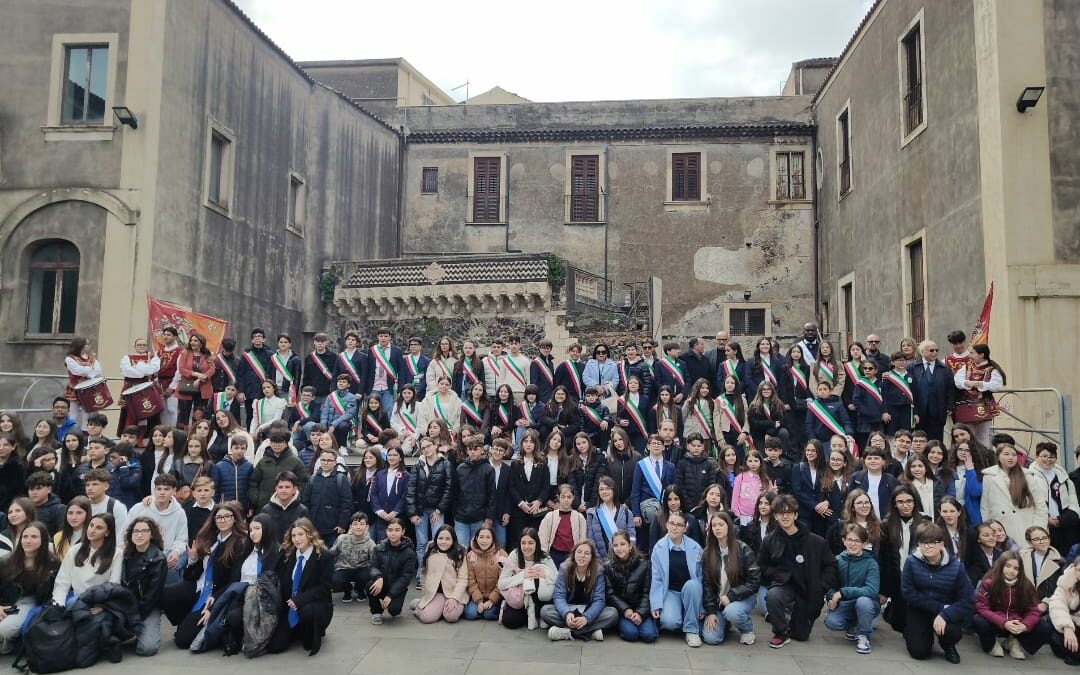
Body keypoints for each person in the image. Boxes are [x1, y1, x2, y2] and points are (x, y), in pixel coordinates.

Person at [163, 501, 248, 649]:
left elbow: (234, 581)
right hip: (199, 585)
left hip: (217, 593)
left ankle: (206, 624)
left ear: (234, 518)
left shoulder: (239, 543)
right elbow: (191, 575)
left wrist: (214, 602)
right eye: (219, 517)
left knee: (182, 641)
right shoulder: (210, 538)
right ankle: (185, 619)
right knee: (164, 594)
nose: (222, 520)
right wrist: (193, 560)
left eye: (227, 516)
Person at [757, 494, 836, 647]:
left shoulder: (816, 541)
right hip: (784, 585)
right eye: (781, 513)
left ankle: (794, 620)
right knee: (772, 596)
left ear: (796, 515)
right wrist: (778, 574)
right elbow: (762, 566)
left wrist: (821, 587)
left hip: (809, 589)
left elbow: (830, 566)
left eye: (789, 512)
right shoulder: (769, 540)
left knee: (800, 635)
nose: (785, 516)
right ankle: (781, 632)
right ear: (775, 516)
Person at [901, 522, 975, 663]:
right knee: (919, 652)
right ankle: (917, 634)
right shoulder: (911, 561)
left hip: (946, 611)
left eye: (932, 543)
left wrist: (945, 614)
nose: (927, 546)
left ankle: (948, 645)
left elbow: (968, 599)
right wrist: (938, 608)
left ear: (941, 544)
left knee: (952, 632)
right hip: (920, 609)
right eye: (923, 542)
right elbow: (908, 592)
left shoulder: (956, 566)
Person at [267, 518, 334, 656]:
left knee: (307, 616)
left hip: (314, 604)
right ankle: (295, 629)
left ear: (310, 534)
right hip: (289, 606)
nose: (297, 539)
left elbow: (325, 588)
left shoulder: (324, 556)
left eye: (301, 534)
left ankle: (312, 629)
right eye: (293, 535)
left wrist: (300, 600)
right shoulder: (286, 554)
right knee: (275, 646)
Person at [973, 550, 1050, 659]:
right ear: (1001, 566)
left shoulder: (1027, 585)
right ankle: (992, 644)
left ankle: (1014, 642)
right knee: (978, 620)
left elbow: (1033, 610)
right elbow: (982, 608)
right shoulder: (989, 583)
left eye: (1016, 568)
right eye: (1007, 566)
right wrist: (1003, 622)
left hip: (1017, 623)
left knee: (1045, 627)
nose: (1011, 571)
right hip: (996, 622)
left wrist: (1025, 625)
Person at [700, 512, 760, 646]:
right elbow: (707, 584)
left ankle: (747, 629)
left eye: (721, 524)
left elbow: (754, 581)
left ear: (729, 526)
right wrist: (711, 612)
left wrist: (732, 595)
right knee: (711, 639)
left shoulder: (743, 549)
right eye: (714, 525)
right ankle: (726, 623)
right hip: (719, 603)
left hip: (742, 598)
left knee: (732, 612)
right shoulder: (708, 553)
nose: (717, 528)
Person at [540, 539, 618, 641]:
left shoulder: (598, 571)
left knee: (612, 614)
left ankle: (567, 633)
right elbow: (559, 596)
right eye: (579, 552)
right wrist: (566, 613)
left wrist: (587, 618)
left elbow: (599, 600)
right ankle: (590, 633)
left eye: (587, 553)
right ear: (574, 554)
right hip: (569, 608)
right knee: (545, 611)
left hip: (588, 610)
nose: (582, 556)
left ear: (591, 557)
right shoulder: (565, 568)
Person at [0, 522, 59, 655]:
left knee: (5, 629)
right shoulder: (6, 561)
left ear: (43, 540)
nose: (28, 541)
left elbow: (54, 591)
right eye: (25, 536)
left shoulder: (52, 563)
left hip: (30, 602)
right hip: (6, 601)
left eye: (34, 537)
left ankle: (13, 640)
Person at [649, 510, 704, 646]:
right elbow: (656, 579)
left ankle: (691, 630)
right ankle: (686, 615)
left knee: (692, 584)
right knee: (669, 622)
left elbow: (701, 577)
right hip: (670, 591)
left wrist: (702, 606)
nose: (674, 527)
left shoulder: (696, 548)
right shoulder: (658, 548)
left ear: (685, 528)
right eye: (672, 523)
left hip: (691, 591)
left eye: (679, 525)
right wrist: (656, 604)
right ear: (667, 525)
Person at [823, 523, 880, 654]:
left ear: (864, 543)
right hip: (846, 603)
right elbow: (831, 585)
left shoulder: (871, 563)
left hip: (867, 603)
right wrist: (831, 597)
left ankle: (863, 635)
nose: (853, 544)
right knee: (832, 622)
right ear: (844, 541)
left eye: (857, 541)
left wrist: (842, 593)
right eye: (849, 540)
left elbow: (872, 590)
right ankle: (854, 626)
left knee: (863, 602)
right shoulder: (837, 560)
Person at [52, 512, 123, 606]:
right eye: (91, 525)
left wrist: (103, 606)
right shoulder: (75, 550)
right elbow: (62, 582)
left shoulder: (117, 553)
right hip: (77, 600)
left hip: (101, 602)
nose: (92, 530)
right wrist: (58, 605)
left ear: (107, 533)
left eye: (99, 528)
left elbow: (114, 585)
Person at [127, 474, 188, 583]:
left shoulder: (179, 513)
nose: (162, 492)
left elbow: (181, 539)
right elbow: (126, 532)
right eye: (159, 489)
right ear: (154, 490)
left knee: (173, 569)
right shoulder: (139, 508)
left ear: (174, 491)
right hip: (138, 554)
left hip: (166, 556)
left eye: (166, 489)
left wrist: (176, 551)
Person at [982, 443, 1048, 543]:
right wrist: (989, 530)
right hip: (1001, 528)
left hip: (1026, 526)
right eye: (1006, 454)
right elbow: (985, 506)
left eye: (1014, 455)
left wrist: (1038, 529)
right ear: (998, 456)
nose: (1010, 457)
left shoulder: (1027, 476)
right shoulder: (989, 476)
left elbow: (1040, 506)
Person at [121, 516, 167, 657]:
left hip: (148, 607)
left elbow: (152, 596)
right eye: (136, 531)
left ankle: (138, 631)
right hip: (126, 605)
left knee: (148, 648)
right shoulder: (125, 555)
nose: (139, 535)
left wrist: (135, 616)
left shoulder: (158, 558)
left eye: (144, 531)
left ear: (151, 534)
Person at [498, 527, 557, 630]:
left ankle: (537, 614)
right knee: (509, 621)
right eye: (523, 543)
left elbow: (558, 579)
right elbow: (501, 584)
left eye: (530, 543)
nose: (526, 547)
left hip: (540, 599)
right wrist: (522, 576)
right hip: (520, 598)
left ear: (536, 544)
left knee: (536, 579)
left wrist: (545, 574)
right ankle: (530, 615)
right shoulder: (514, 555)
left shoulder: (544, 557)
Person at [603, 529, 656, 642]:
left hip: (640, 607)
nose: (619, 548)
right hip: (622, 610)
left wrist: (640, 613)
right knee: (631, 634)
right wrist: (625, 609)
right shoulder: (608, 567)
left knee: (649, 635)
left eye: (622, 544)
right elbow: (610, 594)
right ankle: (620, 625)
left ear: (630, 546)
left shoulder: (644, 564)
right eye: (615, 545)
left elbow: (647, 592)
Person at [1028, 442, 1080, 555]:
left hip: (1063, 528)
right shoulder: (1029, 477)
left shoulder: (1065, 478)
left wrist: (1061, 520)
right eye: (1044, 456)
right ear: (1036, 456)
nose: (1048, 459)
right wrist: (1046, 519)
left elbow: (1074, 504)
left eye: (1051, 456)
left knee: (1065, 561)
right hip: (1042, 528)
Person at [412, 525, 468, 624]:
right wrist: (425, 595)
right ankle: (419, 604)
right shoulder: (431, 550)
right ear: (436, 538)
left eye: (447, 539)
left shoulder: (460, 552)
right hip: (436, 593)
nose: (443, 542)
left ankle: (439, 609)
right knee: (427, 618)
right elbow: (424, 574)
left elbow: (463, 579)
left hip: (453, 592)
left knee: (451, 616)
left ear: (453, 540)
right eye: (440, 538)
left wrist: (454, 598)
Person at [954, 343, 1005, 449]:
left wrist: (979, 384)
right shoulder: (966, 367)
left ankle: (985, 457)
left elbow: (996, 385)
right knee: (966, 436)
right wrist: (966, 383)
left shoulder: (992, 369)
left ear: (981, 354)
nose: (970, 356)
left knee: (984, 436)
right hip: (966, 406)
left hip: (984, 405)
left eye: (972, 353)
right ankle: (969, 456)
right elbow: (957, 380)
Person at [366, 517, 415, 624]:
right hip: (381, 584)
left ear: (403, 531)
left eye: (397, 530)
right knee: (370, 585)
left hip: (397, 587)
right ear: (386, 531)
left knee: (394, 610)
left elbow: (405, 577)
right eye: (390, 530)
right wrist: (378, 577)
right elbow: (373, 567)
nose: (393, 533)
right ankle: (376, 612)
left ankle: (393, 602)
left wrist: (390, 595)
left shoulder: (409, 553)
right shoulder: (378, 548)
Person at [631, 435, 676, 551]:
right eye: (653, 443)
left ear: (663, 447)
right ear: (648, 446)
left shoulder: (670, 467)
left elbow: (673, 491)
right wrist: (636, 514)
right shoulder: (641, 465)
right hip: (646, 512)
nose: (656, 446)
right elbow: (635, 491)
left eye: (659, 444)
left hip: (665, 510)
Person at [248, 429, 309, 512]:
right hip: (264, 507)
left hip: (288, 508)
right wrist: (257, 499)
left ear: (286, 443)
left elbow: (303, 483)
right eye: (274, 442)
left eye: (280, 442)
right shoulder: (263, 462)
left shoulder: (296, 462)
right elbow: (253, 482)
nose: (276, 445)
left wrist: (294, 497)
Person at [301, 448, 353, 546]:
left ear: (335, 462)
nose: (326, 463)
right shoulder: (313, 479)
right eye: (323, 460)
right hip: (314, 527)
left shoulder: (341, 478)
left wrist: (342, 524)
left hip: (333, 529)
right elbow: (306, 501)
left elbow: (346, 503)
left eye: (329, 460)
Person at [509, 430, 549, 547]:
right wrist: (521, 503)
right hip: (519, 511)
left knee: (535, 541)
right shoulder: (515, 463)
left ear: (536, 444)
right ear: (521, 444)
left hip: (537, 510)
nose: (528, 444)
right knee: (518, 541)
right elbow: (512, 486)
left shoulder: (542, 463)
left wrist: (539, 501)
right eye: (525, 441)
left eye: (531, 442)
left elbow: (546, 486)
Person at [908, 341, 952, 442]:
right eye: (931, 350)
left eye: (937, 350)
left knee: (936, 441)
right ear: (922, 352)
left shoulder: (944, 368)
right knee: (919, 439)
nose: (935, 353)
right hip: (919, 411)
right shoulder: (912, 367)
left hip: (937, 411)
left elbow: (950, 389)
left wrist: (950, 406)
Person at [463, 525, 506, 621]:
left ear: (493, 539)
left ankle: (495, 609)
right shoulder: (470, 556)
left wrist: (492, 600)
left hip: (495, 596)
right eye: (481, 537)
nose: (484, 541)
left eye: (488, 537)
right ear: (476, 538)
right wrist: (479, 601)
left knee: (488, 614)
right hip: (478, 596)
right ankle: (481, 609)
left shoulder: (501, 555)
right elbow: (471, 581)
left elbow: (503, 580)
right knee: (470, 614)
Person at [586, 476, 634, 560]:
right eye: (601, 489)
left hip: (624, 560)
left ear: (614, 490)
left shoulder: (626, 512)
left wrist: (628, 556)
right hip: (600, 561)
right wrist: (598, 561)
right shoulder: (592, 514)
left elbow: (632, 537)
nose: (604, 492)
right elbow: (590, 540)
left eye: (607, 488)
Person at [540, 485, 586, 569]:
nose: (566, 500)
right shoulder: (550, 517)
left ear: (573, 497)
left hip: (572, 556)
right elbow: (543, 539)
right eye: (563, 497)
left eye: (569, 497)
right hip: (553, 556)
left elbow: (583, 540)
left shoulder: (579, 518)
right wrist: (545, 558)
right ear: (558, 497)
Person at [176, 332, 216, 430]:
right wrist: (196, 374)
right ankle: (182, 435)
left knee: (199, 414)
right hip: (186, 387)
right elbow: (181, 369)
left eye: (195, 340)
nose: (192, 342)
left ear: (201, 343)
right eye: (191, 340)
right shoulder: (185, 353)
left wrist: (200, 379)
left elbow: (212, 369)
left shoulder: (207, 355)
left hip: (202, 388)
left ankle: (197, 435)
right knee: (183, 415)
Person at [365, 329, 406, 413]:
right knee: (372, 412)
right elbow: (368, 370)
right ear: (378, 337)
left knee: (389, 411)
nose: (383, 338)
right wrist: (366, 389)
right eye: (381, 336)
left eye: (386, 336)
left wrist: (400, 390)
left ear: (390, 337)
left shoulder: (397, 351)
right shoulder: (372, 350)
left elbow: (401, 371)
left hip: (389, 388)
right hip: (374, 387)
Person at [1048, 557, 1080, 665]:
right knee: (1072, 652)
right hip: (1069, 622)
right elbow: (1057, 605)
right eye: (1079, 570)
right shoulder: (1066, 583)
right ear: (1074, 569)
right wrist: (1067, 627)